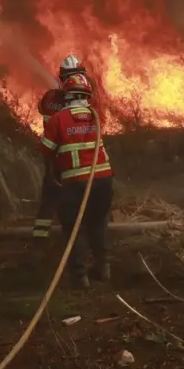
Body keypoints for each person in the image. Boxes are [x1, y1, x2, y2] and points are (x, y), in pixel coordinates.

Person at [40, 72, 113, 288]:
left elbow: (46, 149)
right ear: (87, 95)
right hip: (103, 180)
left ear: (66, 95)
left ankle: (80, 277)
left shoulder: (58, 119)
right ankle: (104, 268)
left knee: (73, 228)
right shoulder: (95, 116)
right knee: (98, 224)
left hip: (74, 183)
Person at [32, 55, 90, 239]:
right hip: (70, 157)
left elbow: (42, 107)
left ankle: (41, 239)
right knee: (70, 198)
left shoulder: (50, 97)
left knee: (51, 198)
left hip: (54, 154)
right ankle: (68, 238)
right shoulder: (80, 100)